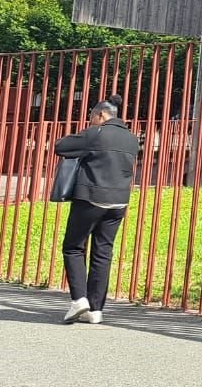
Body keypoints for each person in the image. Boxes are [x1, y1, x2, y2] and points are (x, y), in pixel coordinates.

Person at [54, 93, 140, 324]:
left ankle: (79, 300)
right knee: (103, 253)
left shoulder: (96, 133)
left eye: (92, 117)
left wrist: (86, 136)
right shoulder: (132, 139)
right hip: (119, 202)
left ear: (100, 115)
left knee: (73, 247)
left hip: (91, 198)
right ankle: (96, 310)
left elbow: (61, 146)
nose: (91, 121)